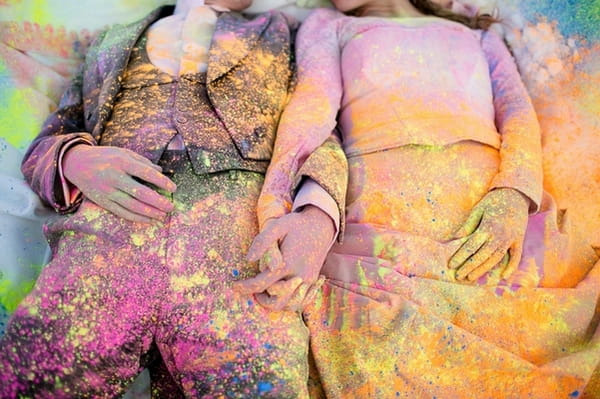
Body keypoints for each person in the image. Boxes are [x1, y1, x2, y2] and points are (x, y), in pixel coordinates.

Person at [236, 0, 600, 397]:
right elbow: (312, 107)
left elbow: (517, 116)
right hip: (382, 216)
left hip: (489, 209)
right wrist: (275, 207)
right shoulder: (329, 25)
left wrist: (514, 194)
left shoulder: (480, 36)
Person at [0, 0, 347, 397]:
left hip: (240, 254)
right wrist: (74, 160)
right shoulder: (111, 40)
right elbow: (47, 141)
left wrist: (318, 216)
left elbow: (319, 129)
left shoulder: (283, 32)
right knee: (36, 378)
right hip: (102, 241)